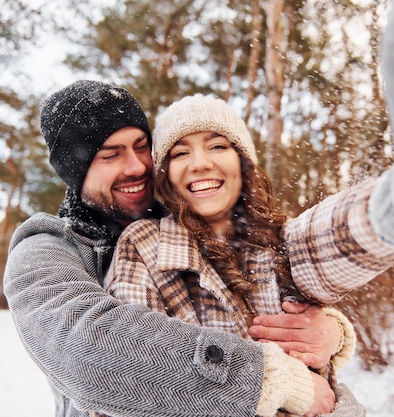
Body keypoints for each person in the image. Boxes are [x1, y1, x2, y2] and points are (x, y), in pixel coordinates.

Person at [3, 1, 394, 416]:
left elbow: (324, 239)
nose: (136, 166)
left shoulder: (267, 236)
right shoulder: (55, 250)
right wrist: (270, 378)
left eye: (143, 147)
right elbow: (92, 347)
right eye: (111, 155)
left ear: (245, 163)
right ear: (75, 170)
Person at [101, 94, 365, 417]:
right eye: (181, 152)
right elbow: (137, 371)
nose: (200, 163)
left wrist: (335, 334)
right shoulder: (144, 247)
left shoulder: (281, 238)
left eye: (217, 146)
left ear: (242, 160)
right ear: (166, 175)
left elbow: (349, 231)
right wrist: (281, 385)